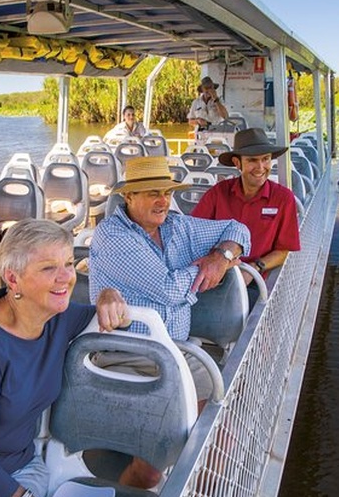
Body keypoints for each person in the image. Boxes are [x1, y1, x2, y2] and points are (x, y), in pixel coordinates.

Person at [0, 219, 129, 497]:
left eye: (69, 264)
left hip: (24, 464)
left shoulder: (55, 316)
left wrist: (110, 294)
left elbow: (108, 314)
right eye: (48, 268)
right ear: (12, 279)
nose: (66, 277)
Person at [88, 156, 250, 489]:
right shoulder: (113, 236)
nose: (163, 201)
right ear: (128, 198)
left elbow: (238, 229)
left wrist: (223, 257)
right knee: (151, 467)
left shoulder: (176, 226)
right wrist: (206, 268)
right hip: (129, 357)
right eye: (151, 193)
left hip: (178, 354)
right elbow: (169, 289)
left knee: (223, 435)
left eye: (166, 192)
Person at [192, 128, 301, 306]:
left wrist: (253, 269)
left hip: (257, 280)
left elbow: (284, 250)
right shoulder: (218, 193)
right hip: (216, 274)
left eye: (265, 159)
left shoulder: (283, 198)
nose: (260, 167)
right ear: (237, 163)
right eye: (252, 160)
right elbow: (194, 232)